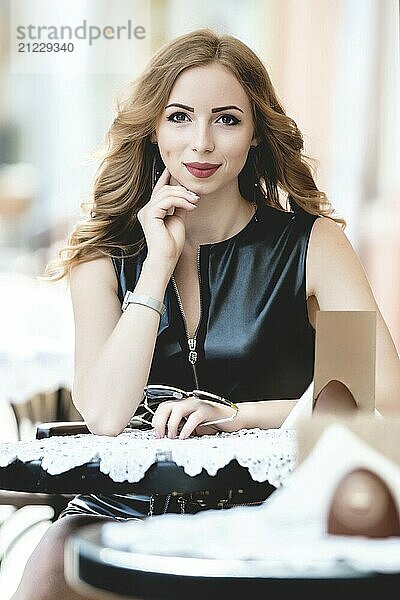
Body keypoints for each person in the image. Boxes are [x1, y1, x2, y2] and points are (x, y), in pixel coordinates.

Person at [12, 27, 400, 600]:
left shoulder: (313, 244)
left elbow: (378, 397)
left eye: (226, 119)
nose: (202, 143)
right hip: (125, 505)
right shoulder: (101, 253)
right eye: (179, 117)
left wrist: (235, 417)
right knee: (54, 562)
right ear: (152, 129)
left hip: (269, 503)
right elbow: (105, 413)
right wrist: (157, 263)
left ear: (255, 135)